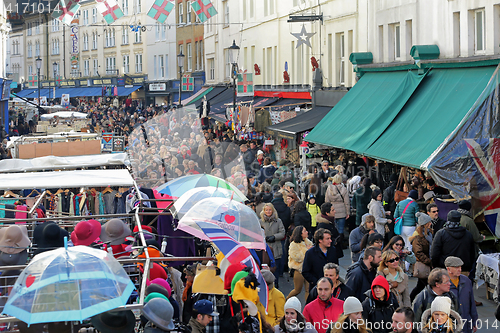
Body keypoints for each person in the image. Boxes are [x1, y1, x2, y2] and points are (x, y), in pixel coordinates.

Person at [445, 257, 477, 333]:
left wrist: (475, 321)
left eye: (460, 267)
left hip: (466, 322)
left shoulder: (466, 281)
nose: (460, 269)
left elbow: (471, 302)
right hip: (450, 325)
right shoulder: (443, 284)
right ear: (448, 269)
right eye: (456, 267)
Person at [260, 203, 286, 288]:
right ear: (264, 211)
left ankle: (276, 284)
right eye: (266, 210)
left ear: (273, 210)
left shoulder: (278, 221)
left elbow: (282, 233)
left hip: (276, 247)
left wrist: (274, 237)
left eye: (270, 210)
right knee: (266, 269)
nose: (268, 211)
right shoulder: (260, 221)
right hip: (265, 249)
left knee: (276, 268)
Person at [409, 213, 433, 302]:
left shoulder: (429, 234)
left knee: (421, 286)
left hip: (428, 264)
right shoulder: (418, 238)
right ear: (425, 224)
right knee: (424, 286)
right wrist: (429, 261)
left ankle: (411, 300)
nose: (431, 223)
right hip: (424, 265)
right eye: (429, 222)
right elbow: (418, 253)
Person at [288, 226, 314, 300]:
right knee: (297, 290)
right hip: (299, 270)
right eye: (305, 231)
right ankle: (286, 300)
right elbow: (297, 257)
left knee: (308, 290)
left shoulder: (308, 242)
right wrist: (307, 251)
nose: (307, 232)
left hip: (309, 269)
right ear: (300, 234)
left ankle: (307, 307)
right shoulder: (293, 244)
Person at [393, 190, 419, 255]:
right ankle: (407, 264)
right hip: (410, 228)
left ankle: (400, 262)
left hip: (400, 227)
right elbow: (417, 217)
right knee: (409, 246)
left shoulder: (400, 203)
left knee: (401, 246)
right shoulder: (415, 204)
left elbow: (395, 216)